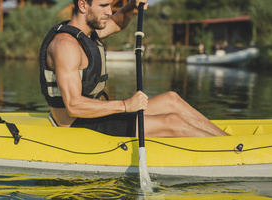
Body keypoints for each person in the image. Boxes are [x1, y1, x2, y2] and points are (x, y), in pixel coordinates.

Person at [39, 0, 230, 138]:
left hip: (93, 114)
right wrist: (125, 105)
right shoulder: (66, 46)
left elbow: (116, 23)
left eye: (110, 5)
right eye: (104, 6)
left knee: (171, 99)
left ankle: (228, 142)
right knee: (172, 122)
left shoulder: (88, 33)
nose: (108, 11)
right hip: (76, 123)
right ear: (82, 5)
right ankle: (228, 154)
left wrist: (131, 5)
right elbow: (73, 106)